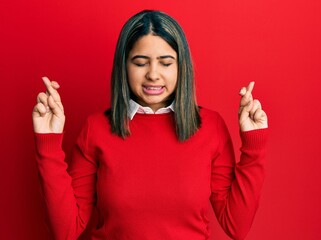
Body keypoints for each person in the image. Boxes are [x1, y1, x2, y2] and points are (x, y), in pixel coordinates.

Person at [33, 10, 268, 240]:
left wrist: (253, 147)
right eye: (140, 62)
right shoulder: (95, 129)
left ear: (181, 67)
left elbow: (236, 226)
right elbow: (66, 231)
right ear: (124, 66)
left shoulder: (211, 127)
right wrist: (48, 145)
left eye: (166, 63)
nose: (153, 74)